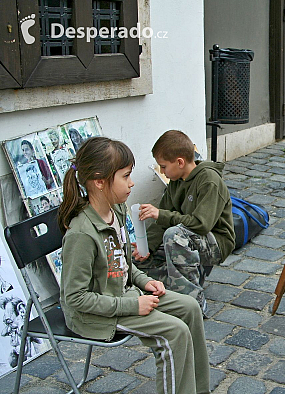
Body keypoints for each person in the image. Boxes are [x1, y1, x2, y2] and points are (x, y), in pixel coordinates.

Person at [58, 137, 209, 394]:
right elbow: (75, 298)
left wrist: (143, 280)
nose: (132, 183)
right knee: (174, 333)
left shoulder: (116, 210)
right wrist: (133, 305)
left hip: (125, 294)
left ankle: (198, 390)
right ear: (99, 181)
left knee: (190, 307)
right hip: (97, 315)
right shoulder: (82, 234)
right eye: (126, 176)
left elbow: (124, 262)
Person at [134, 130, 235, 316]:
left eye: (163, 166)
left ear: (180, 162)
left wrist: (160, 214)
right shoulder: (176, 180)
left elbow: (200, 224)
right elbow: (160, 224)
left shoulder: (210, 181)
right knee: (134, 261)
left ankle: (193, 302)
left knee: (174, 235)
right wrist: (144, 248)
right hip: (186, 237)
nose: (162, 171)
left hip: (216, 242)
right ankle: (182, 282)